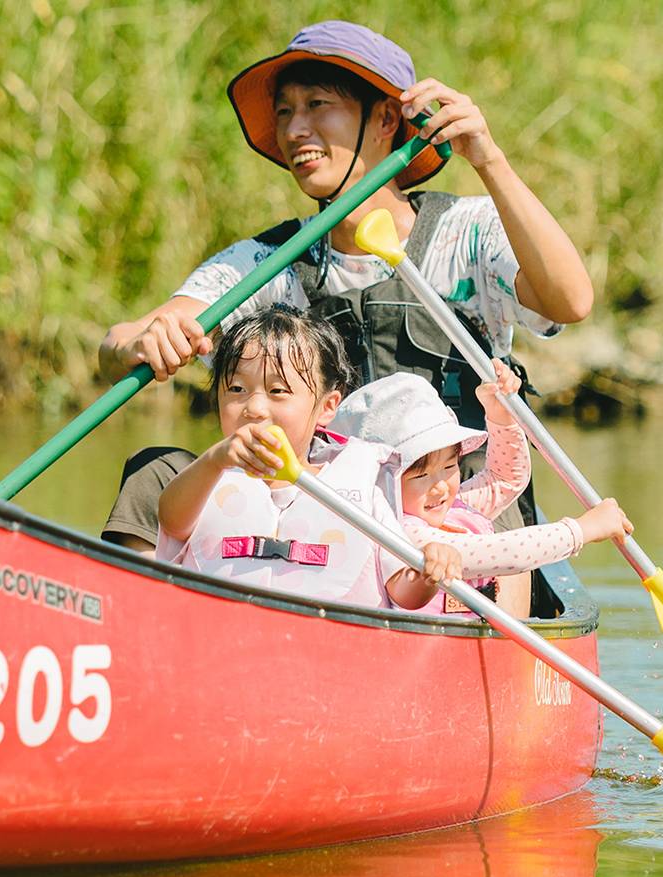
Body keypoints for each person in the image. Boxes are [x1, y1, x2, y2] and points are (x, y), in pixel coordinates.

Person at [100, 19, 593, 563]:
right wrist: (141, 342)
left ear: (384, 118)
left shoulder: (467, 231)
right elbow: (130, 337)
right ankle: (141, 623)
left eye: (316, 105)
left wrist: (488, 159)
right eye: (284, 111)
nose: (294, 130)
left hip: (446, 517)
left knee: (489, 518)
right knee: (155, 473)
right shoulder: (267, 261)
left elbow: (570, 301)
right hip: (327, 514)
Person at [156, 305, 462, 611]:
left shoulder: (362, 487)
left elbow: (403, 592)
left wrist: (428, 572)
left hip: (329, 647)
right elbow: (172, 521)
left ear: (327, 407)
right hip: (219, 640)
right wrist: (215, 460)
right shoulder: (209, 476)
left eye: (277, 390)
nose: (254, 408)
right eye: (237, 388)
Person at [332, 366, 633, 616]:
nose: (439, 486)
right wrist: (583, 529)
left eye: (449, 467)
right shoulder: (404, 532)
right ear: (381, 484)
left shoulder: (452, 506)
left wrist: (500, 417)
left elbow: (505, 480)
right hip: (434, 659)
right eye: (420, 475)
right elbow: (510, 552)